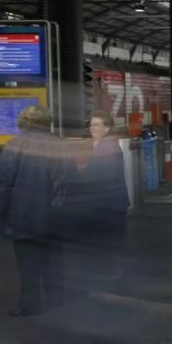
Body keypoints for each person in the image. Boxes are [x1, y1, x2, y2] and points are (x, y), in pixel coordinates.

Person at [0, 105, 66, 317]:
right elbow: (67, 180)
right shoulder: (59, 145)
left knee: (28, 263)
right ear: (46, 122)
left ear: (23, 122)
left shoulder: (15, 145)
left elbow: (2, 184)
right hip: (55, 214)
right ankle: (56, 299)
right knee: (54, 258)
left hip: (23, 214)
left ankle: (30, 305)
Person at [64, 110, 129, 290]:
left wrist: (79, 171)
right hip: (110, 203)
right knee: (108, 242)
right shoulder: (102, 144)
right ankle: (111, 276)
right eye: (91, 125)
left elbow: (103, 177)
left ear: (106, 127)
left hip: (107, 204)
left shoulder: (106, 147)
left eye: (97, 124)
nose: (93, 128)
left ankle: (110, 280)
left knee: (106, 242)